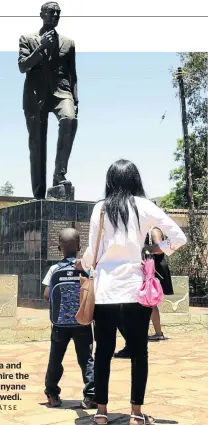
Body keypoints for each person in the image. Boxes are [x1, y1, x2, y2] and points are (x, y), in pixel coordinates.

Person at [77, 159, 187, 425]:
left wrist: (84, 263)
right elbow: (179, 238)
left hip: (105, 291)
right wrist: (154, 250)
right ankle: (136, 414)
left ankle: (101, 412)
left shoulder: (100, 209)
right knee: (139, 353)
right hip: (136, 291)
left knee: (102, 352)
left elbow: (93, 251)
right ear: (135, 179)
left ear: (110, 180)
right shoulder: (145, 206)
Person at [18, 1, 78, 199]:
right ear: (42, 14)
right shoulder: (27, 39)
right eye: (52, 12)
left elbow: (72, 73)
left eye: (58, 13)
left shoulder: (68, 43)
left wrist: (75, 99)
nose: (55, 16)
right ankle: (39, 195)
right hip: (36, 97)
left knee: (69, 118)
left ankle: (59, 175)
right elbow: (23, 66)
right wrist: (41, 48)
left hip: (61, 92)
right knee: (37, 145)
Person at [42, 228, 97, 409]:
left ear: (59, 248)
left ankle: (52, 393)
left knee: (55, 358)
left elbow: (46, 295)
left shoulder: (54, 269)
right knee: (86, 359)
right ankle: (91, 396)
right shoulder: (87, 269)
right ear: (80, 247)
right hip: (82, 322)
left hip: (59, 324)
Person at [114, 226, 175, 358]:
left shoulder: (154, 230)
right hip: (152, 267)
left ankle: (158, 333)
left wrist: (147, 249)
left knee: (150, 301)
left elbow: (159, 247)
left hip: (154, 268)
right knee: (150, 302)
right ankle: (157, 333)